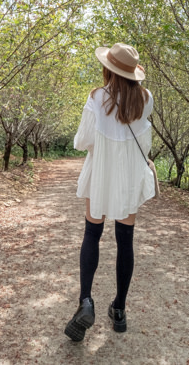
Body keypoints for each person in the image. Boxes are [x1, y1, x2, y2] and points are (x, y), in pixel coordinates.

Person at [64, 42, 156, 342]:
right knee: (125, 240)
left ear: (108, 68)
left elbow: (83, 141)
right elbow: (144, 140)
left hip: (101, 175)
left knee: (92, 234)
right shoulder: (146, 99)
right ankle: (119, 310)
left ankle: (86, 301)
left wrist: (103, 145)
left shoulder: (96, 98)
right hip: (128, 178)